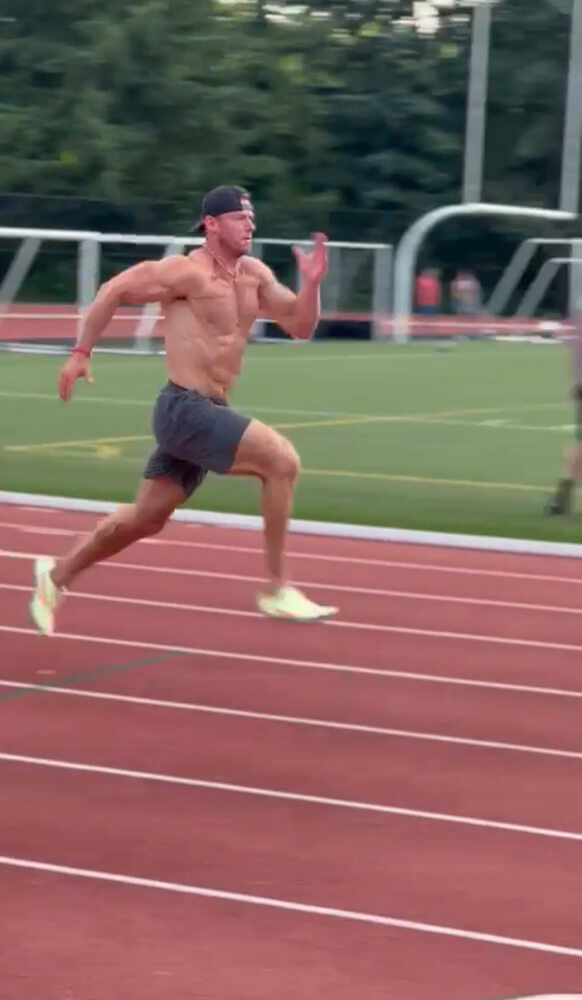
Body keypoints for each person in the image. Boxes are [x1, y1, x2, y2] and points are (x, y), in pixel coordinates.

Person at [30, 184, 338, 635]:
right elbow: (113, 290)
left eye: (252, 217)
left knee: (145, 519)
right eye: (239, 217)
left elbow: (300, 324)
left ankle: (55, 577)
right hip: (185, 407)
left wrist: (311, 285)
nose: (249, 224)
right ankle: (276, 588)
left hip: (210, 407)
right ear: (211, 224)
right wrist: (80, 353)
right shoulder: (185, 272)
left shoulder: (253, 274)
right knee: (281, 462)